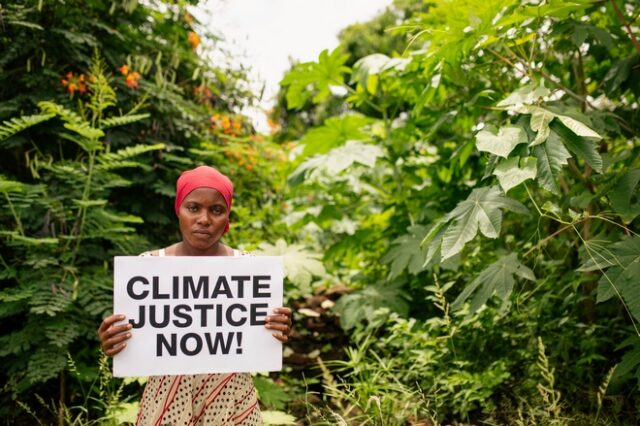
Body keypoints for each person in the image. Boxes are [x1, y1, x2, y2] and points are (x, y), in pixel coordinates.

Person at [98, 165, 292, 426]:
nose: (204, 219)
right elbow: (134, 340)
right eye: (193, 208)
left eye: (216, 210)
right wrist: (114, 341)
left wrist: (278, 327)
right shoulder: (148, 267)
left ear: (227, 217)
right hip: (166, 403)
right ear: (178, 210)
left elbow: (262, 337)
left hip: (231, 403)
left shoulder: (250, 269)